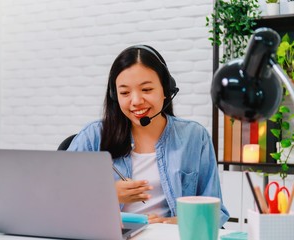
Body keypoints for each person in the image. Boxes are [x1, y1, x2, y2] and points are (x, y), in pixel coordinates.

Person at [67, 45, 229, 227]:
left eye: (146, 90)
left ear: (166, 90)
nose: (136, 101)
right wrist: (106, 195)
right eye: (125, 93)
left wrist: (171, 223)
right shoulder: (92, 137)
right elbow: (62, 202)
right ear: (115, 96)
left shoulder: (194, 137)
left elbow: (215, 212)